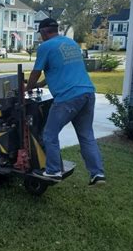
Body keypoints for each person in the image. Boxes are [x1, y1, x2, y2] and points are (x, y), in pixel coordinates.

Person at [26, 18, 106, 186]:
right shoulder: (71, 44)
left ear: (43, 32)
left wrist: (27, 88)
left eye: (40, 34)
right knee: (86, 136)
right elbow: (60, 70)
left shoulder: (45, 47)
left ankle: (53, 170)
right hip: (88, 94)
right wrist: (40, 85)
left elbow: (35, 72)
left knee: (49, 133)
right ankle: (97, 173)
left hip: (67, 98)